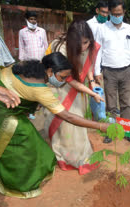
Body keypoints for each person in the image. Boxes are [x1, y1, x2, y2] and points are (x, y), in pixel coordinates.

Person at [0, 53, 108, 198]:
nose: (63, 82)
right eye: (62, 77)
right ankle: (19, 183)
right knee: (22, 139)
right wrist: (100, 126)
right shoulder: (41, 89)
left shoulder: (26, 65)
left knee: (34, 139)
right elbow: (67, 116)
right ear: (50, 71)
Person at [44, 20, 103, 175]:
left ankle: (79, 155)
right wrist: (93, 93)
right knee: (64, 124)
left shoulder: (91, 46)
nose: (83, 47)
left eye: (86, 42)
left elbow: (88, 67)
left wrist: (92, 83)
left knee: (77, 125)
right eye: (79, 44)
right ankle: (63, 156)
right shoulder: (60, 48)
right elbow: (69, 80)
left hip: (79, 91)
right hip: (60, 89)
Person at [95, 0, 130, 144]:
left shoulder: (129, 29)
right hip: (109, 71)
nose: (116, 16)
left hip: (126, 70)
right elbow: (97, 51)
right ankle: (112, 130)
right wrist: (97, 71)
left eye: (119, 14)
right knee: (111, 104)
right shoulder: (102, 29)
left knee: (125, 102)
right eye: (113, 14)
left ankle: (127, 130)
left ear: (124, 13)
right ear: (109, 13)